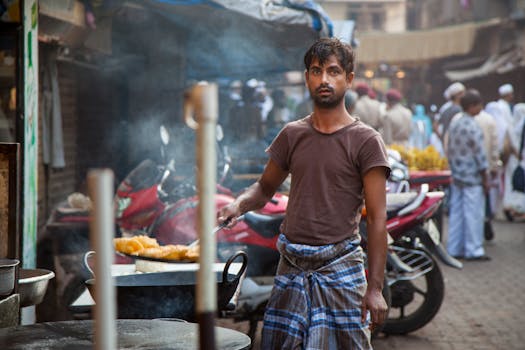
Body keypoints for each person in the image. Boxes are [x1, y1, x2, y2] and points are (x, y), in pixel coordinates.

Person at [218, 37, 390, 349]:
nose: (324, 79)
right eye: (316, 70)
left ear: (349, 79)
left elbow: (378, 220)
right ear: (307, 77)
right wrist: (238, 205)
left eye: (334, 71)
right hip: (292, 267)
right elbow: (264, 187)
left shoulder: (367, 141)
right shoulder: (292, 134)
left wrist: (375, 288)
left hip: (341, 267)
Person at [446, 89, 490, 261]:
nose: (481, 108)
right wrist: (485, 177)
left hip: (457, 175)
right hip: (472, 177)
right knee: (473, 213)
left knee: (456, 212)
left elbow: (449, 147)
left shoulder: (455, 123)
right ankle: (474, 249)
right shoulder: (473, 125)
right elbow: (479, 154)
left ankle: (454, 248)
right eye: (479, 105)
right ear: (472, 106)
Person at [475, 108, 500, 240]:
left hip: (469, 170)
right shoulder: (489, 119)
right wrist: (494, 165)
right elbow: (494, 145)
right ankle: (485, 222)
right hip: (485, 165)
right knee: (484, 197)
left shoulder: (460, 119)